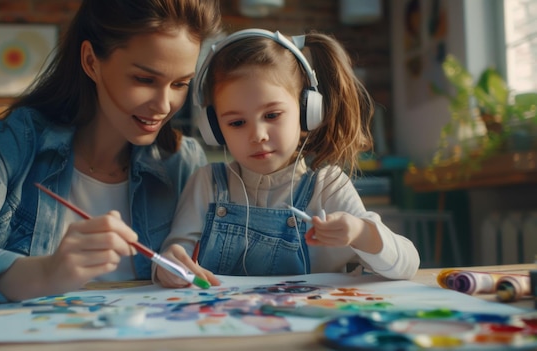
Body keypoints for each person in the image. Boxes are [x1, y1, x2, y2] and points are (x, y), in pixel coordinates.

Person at [0, 0, 221, 308]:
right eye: (144, 79)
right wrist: (46, 272)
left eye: (180, 84)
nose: (164, 105)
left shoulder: (184, 161)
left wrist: (178, 259)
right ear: (91, 62)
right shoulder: (18, 141)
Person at [155, 28, 420, 288]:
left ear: (307, 112)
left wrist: (362, 233)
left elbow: (408, 265)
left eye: (272, 115)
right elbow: (171, 257)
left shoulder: (327, 188)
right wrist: (167, 267)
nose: (257, 135)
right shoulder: (206, 184)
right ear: (214, 128)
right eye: (237, 122)